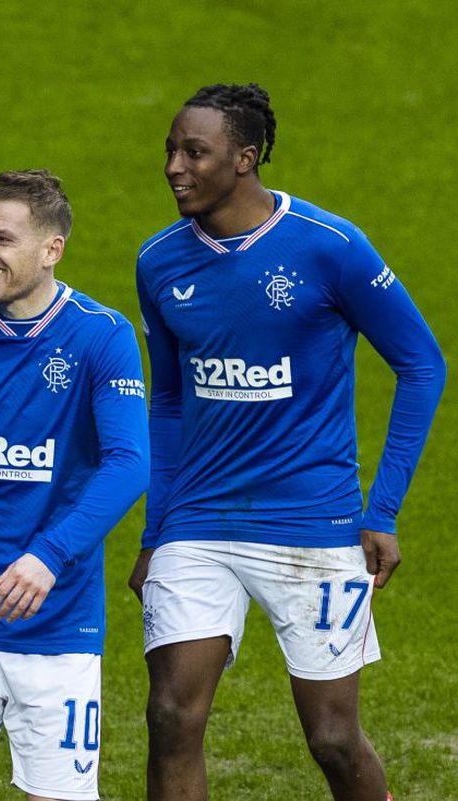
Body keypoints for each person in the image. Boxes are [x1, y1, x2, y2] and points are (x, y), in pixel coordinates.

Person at [131, 84, 446, 801]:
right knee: (171, 714)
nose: (174, 167)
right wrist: (156, 531)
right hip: (199, 522)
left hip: (314, 522)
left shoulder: (331, 248)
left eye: (195, 152)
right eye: (171, 151)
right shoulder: (158, 262)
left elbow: (422, 363)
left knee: (333, 739)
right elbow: (172, 398)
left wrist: (383, 509)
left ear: (246, 158)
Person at [0, 170, 148, 800]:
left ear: (52, 249)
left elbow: (128, 463)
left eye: (3, 239)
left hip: (58, 626)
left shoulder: (101, 335)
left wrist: (49, 554)